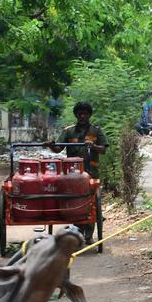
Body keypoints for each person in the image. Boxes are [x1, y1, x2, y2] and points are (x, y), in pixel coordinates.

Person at [50, 101, 109, 244]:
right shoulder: (68, 131)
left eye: (85, 113)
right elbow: (58, 149)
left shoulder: (96, 131)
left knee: (91, 202)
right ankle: (78, 231)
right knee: (75, 201)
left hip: (91, 172)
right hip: (72, 175)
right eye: (80, 114)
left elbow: (103, 149)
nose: (82, 116)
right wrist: (52, 146)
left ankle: (89, 234)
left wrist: (93, 146)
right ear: (76, 115)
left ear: (89, 115)